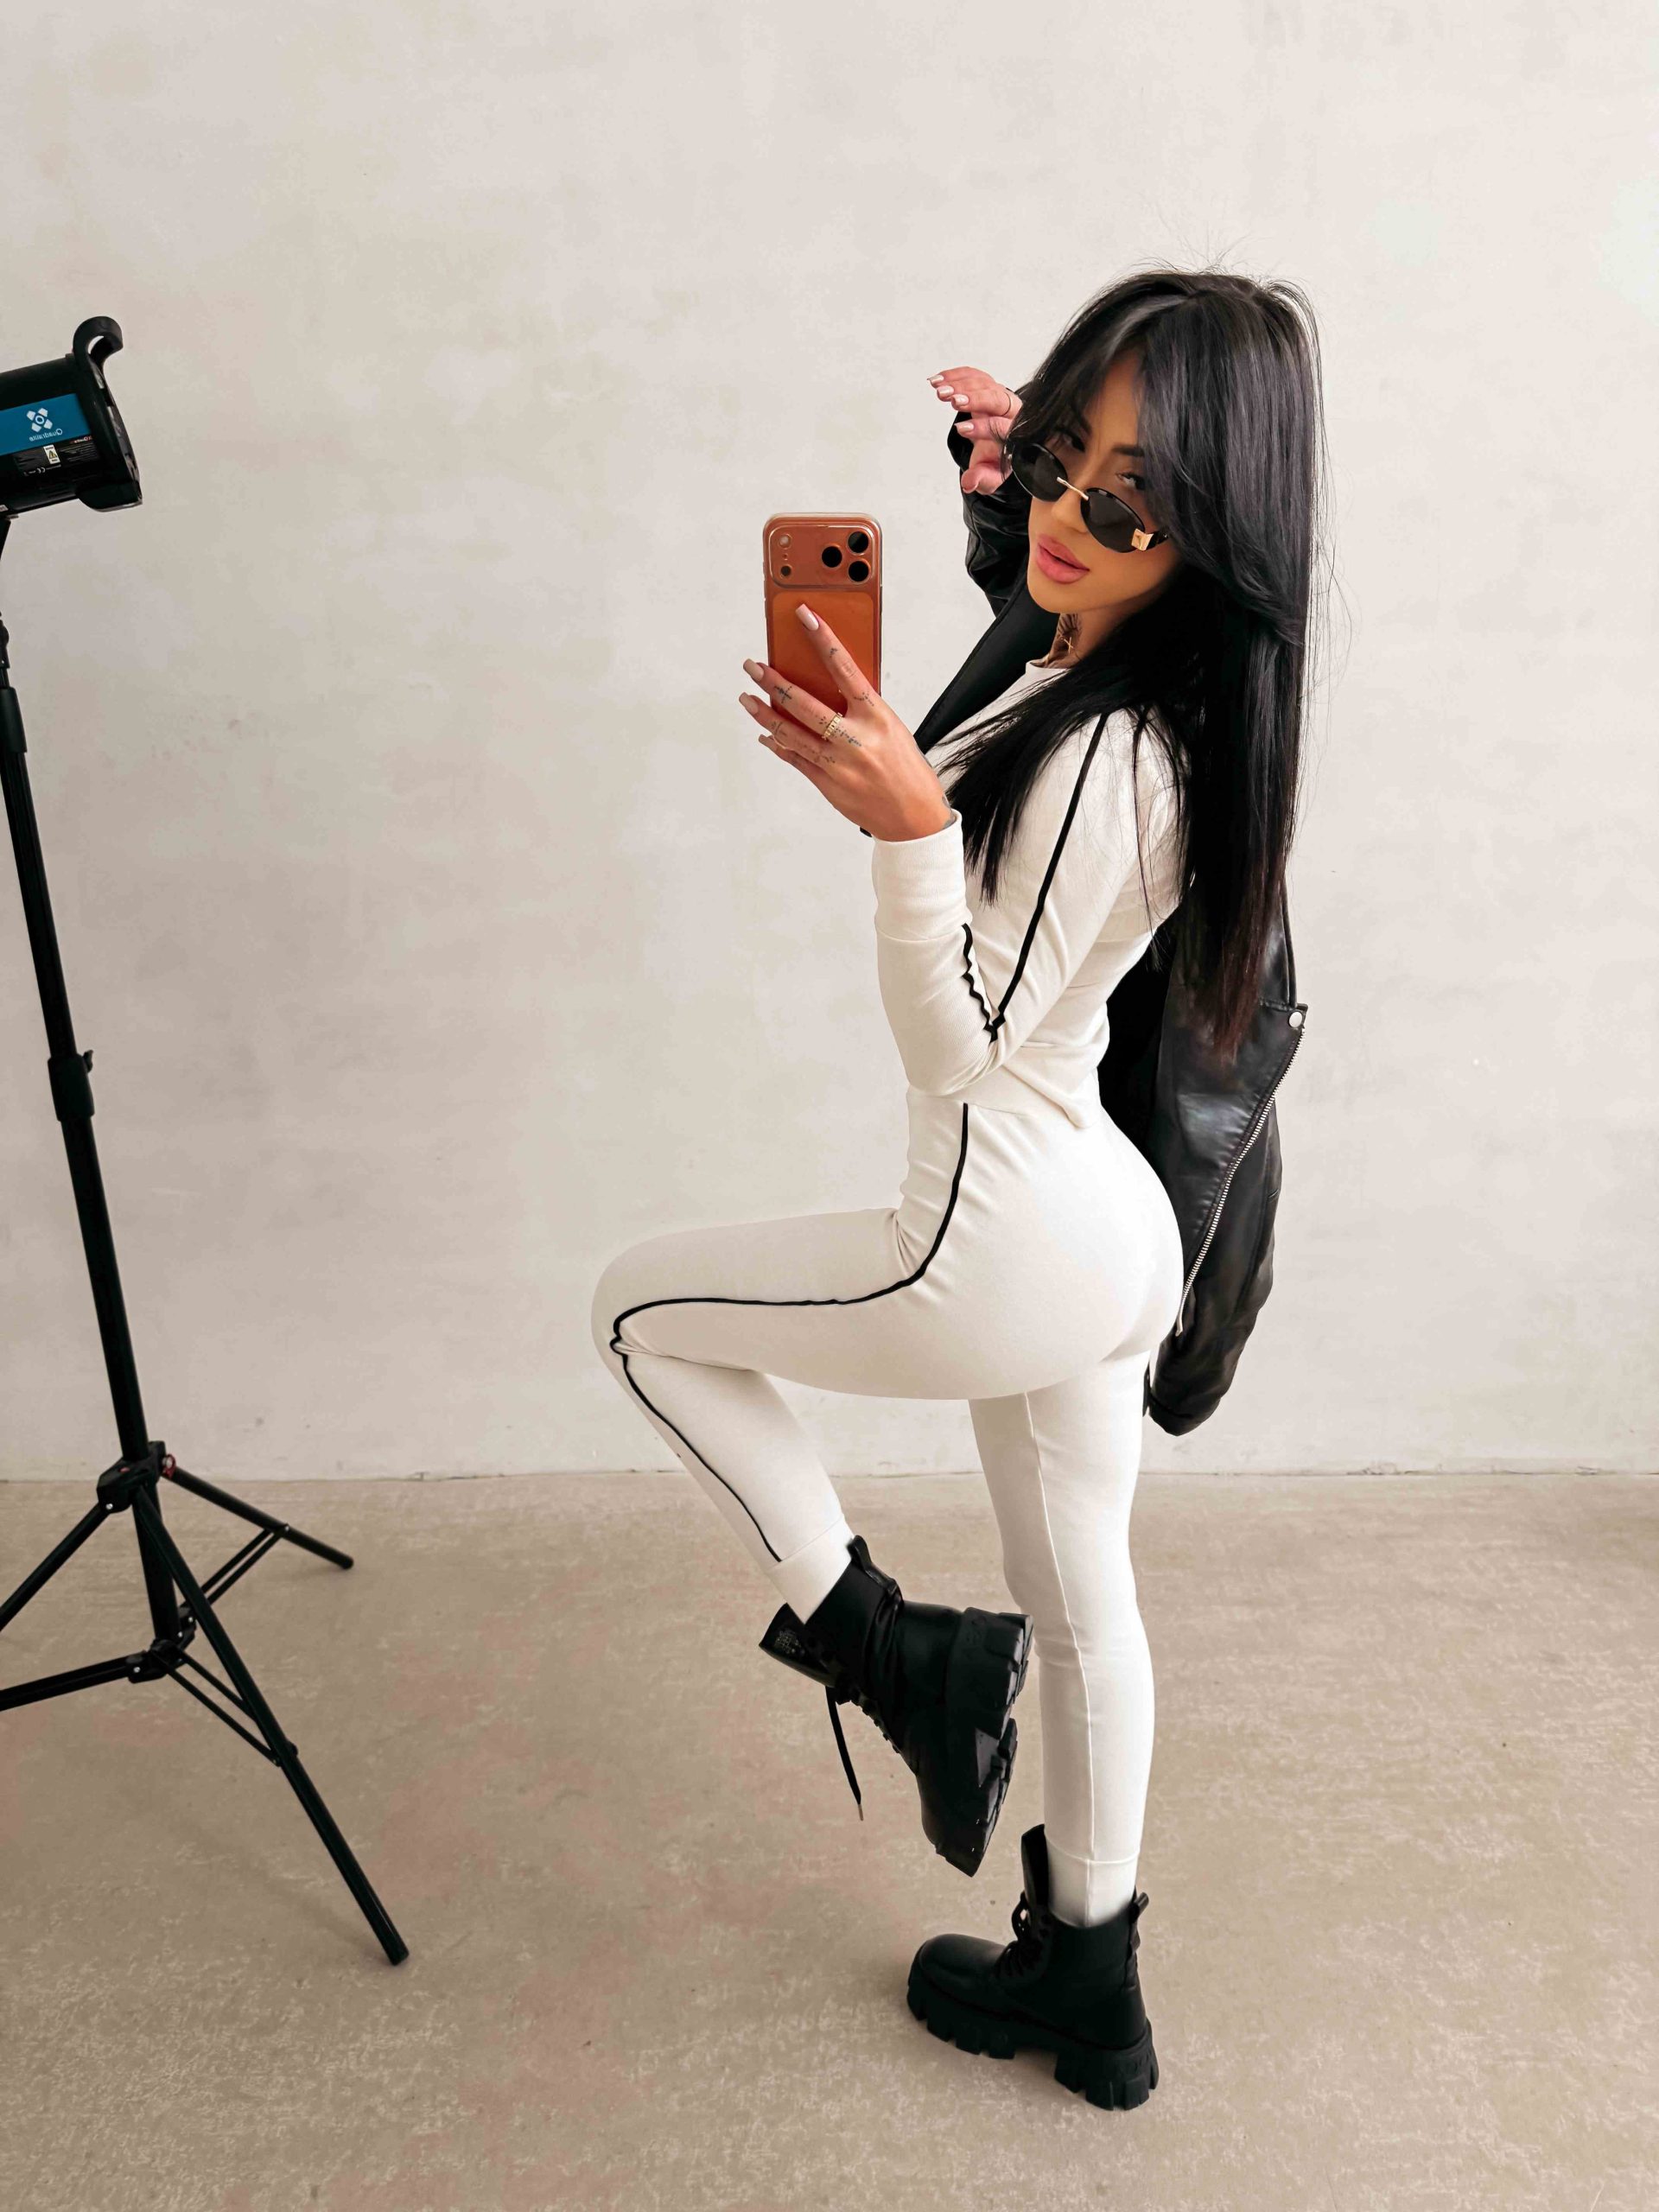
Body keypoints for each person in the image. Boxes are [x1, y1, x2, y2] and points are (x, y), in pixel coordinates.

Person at [590, 267, 1325, 2113]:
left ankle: (894, 1653)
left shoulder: (1112, 751)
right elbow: (1032, 656)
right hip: (1107, 1232)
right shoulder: (1152, 692)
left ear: (1214, 532)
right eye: (1061, 457)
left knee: (637, 1316)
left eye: (1125, 501)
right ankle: (1093, 1979)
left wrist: (912, 836)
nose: (1067, 515)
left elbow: (965, 1043)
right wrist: (1015, 522)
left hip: (994, 1230)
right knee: (1085, 1610)